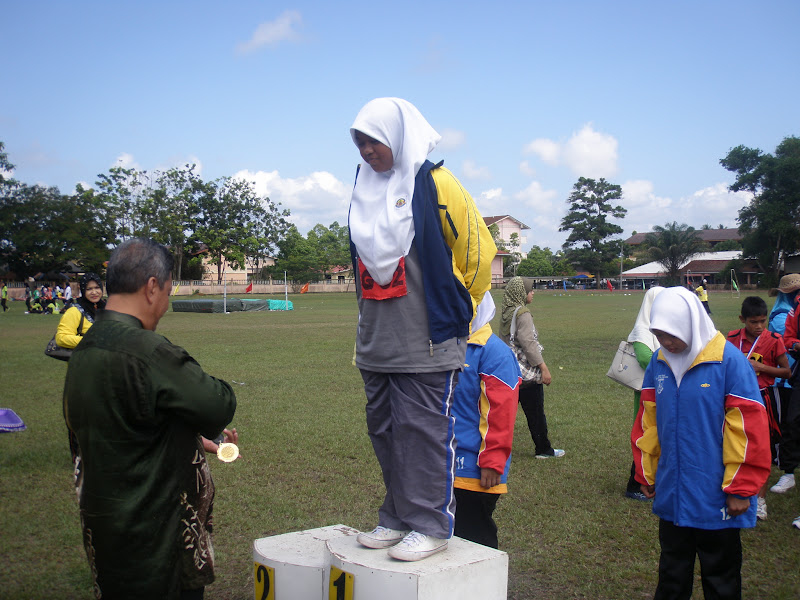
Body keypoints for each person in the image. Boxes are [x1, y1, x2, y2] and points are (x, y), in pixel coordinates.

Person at [348, 98, 496, 562]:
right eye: (359, 142)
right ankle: (397, 516)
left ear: (399, 135)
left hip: (428, 340)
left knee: (424, 433)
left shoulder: (436, 182)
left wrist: (458, 311)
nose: (366, 151)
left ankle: (431, 524)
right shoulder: (362, 188)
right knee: (386, 433)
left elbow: (478, 251)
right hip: (377, 340)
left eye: (374, 140)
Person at [63, 238, 237, 599]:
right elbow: (217, 405)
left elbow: (127, 423)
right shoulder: (146, 350)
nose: (166, 305)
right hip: (157, 539)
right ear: (152, 287)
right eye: (168, 292)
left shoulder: (86, 349)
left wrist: (188, 437)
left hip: (108, 532)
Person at [632, 286, 770, 599]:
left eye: (671, 334)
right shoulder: (659, 361)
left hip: (717, 495)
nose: (666, 342)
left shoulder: (729, 362)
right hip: (673, 490)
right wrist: (646, 472)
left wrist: (741, 488)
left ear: (690, 323)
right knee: (672, 573)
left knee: (720, 578)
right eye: (658, 335)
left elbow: (749, 430)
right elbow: (648, 422)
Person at [452, 293, 519, 548]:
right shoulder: (446, 345)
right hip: (442, 464)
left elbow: (501, 414)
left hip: (475, 470)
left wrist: (492, 460)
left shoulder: (494, 353)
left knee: (473, 537)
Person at [727, 296, 790, 521]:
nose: (759, 326)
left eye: (763, 321)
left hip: (764, 398)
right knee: (734, 444)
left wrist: (760, 367)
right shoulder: (732, 338)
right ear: (742, 319)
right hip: (735, 398)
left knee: (762, 447)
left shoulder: (773, 339)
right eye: (753, 322)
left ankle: (760, 500)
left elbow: (786, 372)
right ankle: (732, 489)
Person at [499, 276, 564, 459]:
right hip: (526, 374)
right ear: (521, 293)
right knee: (535, 413)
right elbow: (529, 344)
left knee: (504, 415)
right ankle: (543, 450)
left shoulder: (506, 312)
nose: (533, 293)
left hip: (508, 370)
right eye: (530, 290)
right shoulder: (523, 313)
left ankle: (496, 449)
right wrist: (543, 368)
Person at [624, 286, 665, 501]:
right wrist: (669, 367)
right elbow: (644, 357)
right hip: (648, 393)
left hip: (663, 390)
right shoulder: (643, 329)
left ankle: (655, 482)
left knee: (660, 437)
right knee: (646, 436)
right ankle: (635, 485)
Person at [767, 274, 800, 503]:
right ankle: (788, 471)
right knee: (791, 422)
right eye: (794, 293)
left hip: (789, 376)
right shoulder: (786, 314)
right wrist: (795, 345)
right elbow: (787, 339)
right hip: (788, 378)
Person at [55, 273, 105, 350]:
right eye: (89, 289)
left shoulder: (108, 308)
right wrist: (92, 342)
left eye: (97, 288)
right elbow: (61, 338)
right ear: (83, 290)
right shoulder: (75, 311)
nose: (94, 292)